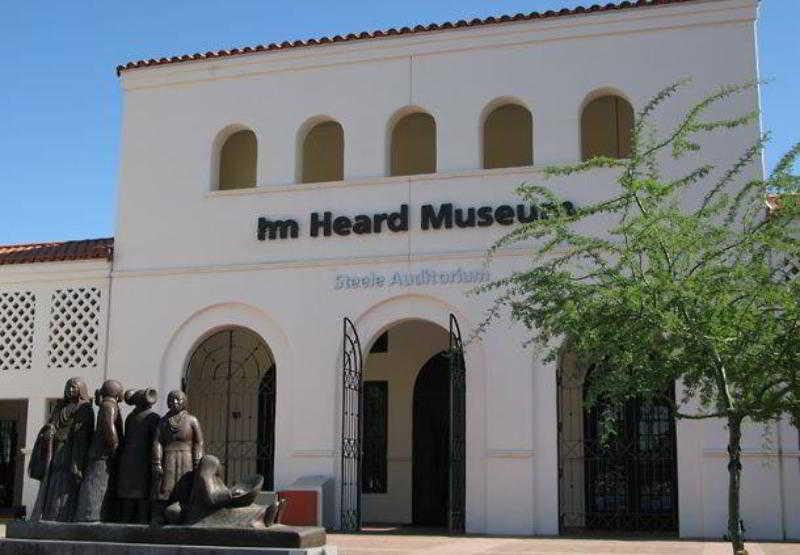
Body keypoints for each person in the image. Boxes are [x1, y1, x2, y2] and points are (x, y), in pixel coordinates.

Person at [29, 377, 94, 521]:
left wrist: (77, 461)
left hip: (69, 451)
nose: (70, 390)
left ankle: (63, 516)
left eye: (74, 387)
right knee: (52, 480)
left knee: (64, 482)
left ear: (81, 390)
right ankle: (48, 514)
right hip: (54, 449)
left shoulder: (85, 408)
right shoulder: (60, 406)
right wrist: (49, 430)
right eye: (68, 387)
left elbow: (82, 434)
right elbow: (51, 423)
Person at [74, 379, 124, 522]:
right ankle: (90, 515)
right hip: (102, 454)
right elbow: (109, 427)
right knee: (97, 483)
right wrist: (115, 446)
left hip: (99, 453)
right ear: (115, 392)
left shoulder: (105, 404)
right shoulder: (109, 406)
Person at [151, 390, 204, 524]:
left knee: (185, 487)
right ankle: (160, 516)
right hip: (168, 458)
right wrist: (157, 462)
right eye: (171, 400)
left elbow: (199, 442)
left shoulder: (192, 420)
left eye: (178, 399)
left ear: (184, 401)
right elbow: (157, 442)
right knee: (165, 488)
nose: (174, 402)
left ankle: (185, 515)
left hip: (186, 458)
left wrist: (197, 459)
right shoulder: (163, 422)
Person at [117, 388, 160, 523]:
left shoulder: (132, 417)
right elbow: (156, 440)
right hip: (141, 461)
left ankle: (127, 521)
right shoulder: (152, 417)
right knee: (141, 493)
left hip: (131, 460)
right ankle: (139, 522)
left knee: (132, 494)